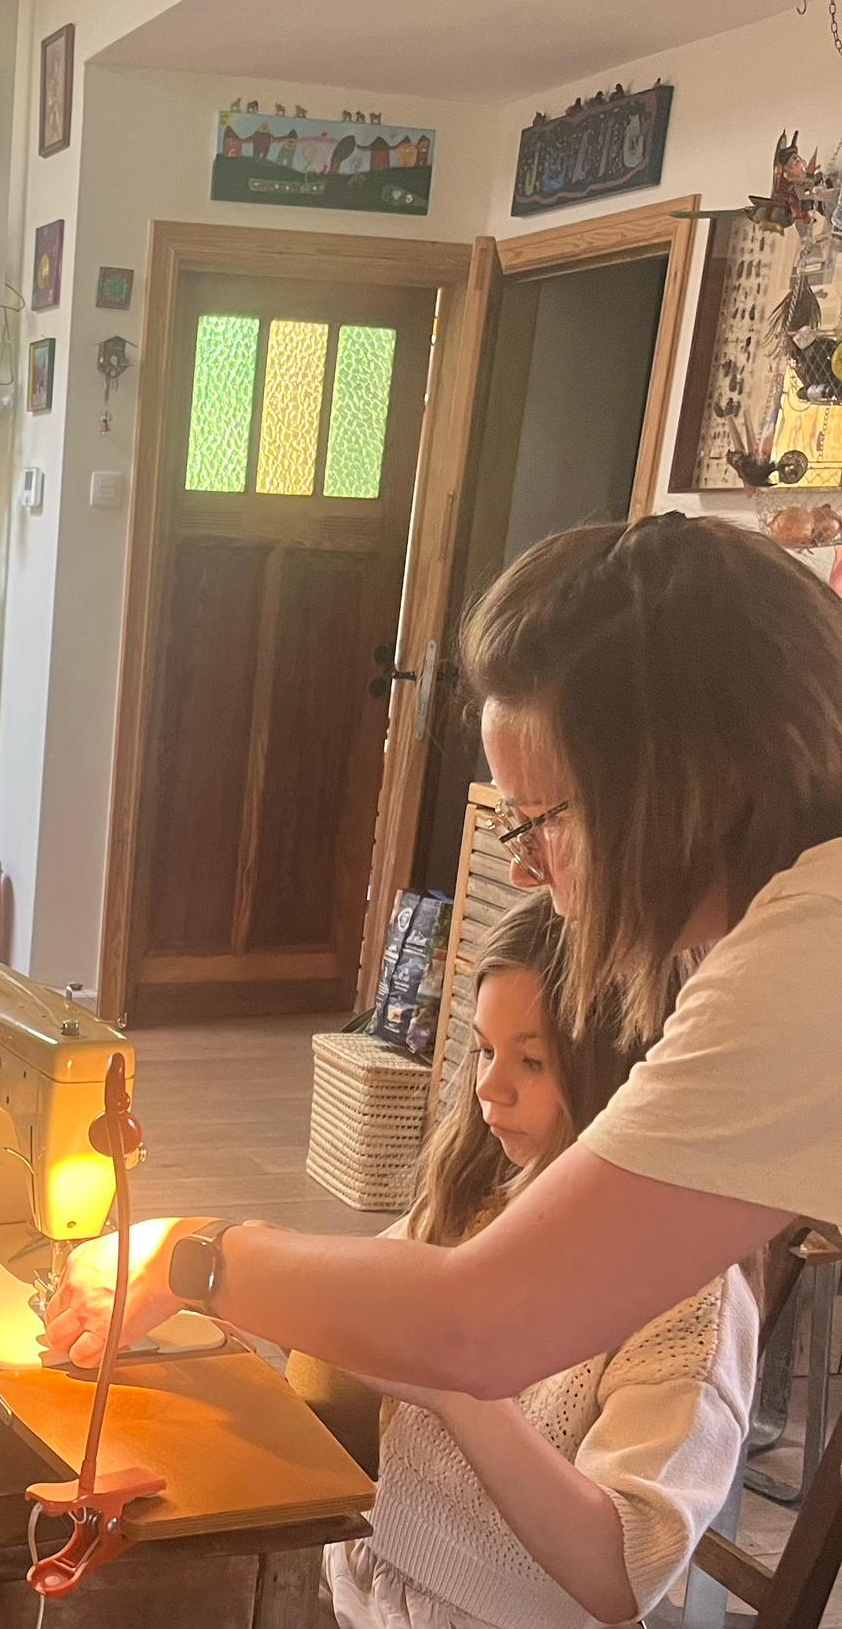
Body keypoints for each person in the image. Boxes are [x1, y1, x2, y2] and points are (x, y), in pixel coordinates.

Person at [46, 894, 755, 1629]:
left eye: (533, 1061)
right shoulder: (491, 1202)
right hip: (367, 1596)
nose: (491, 1088)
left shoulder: (686, 1296)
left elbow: (620, 1566)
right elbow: (350, 1326)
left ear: (634, 1065)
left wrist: (458, 1367)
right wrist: (185, 1288)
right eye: (483, 1050)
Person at [45, 513, 840, 1402]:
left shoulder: (808, 956)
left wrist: (194, 1254)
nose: (519, 864)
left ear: (675, 791)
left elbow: (482, 1323)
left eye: (538, 819)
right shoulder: (788, 911)